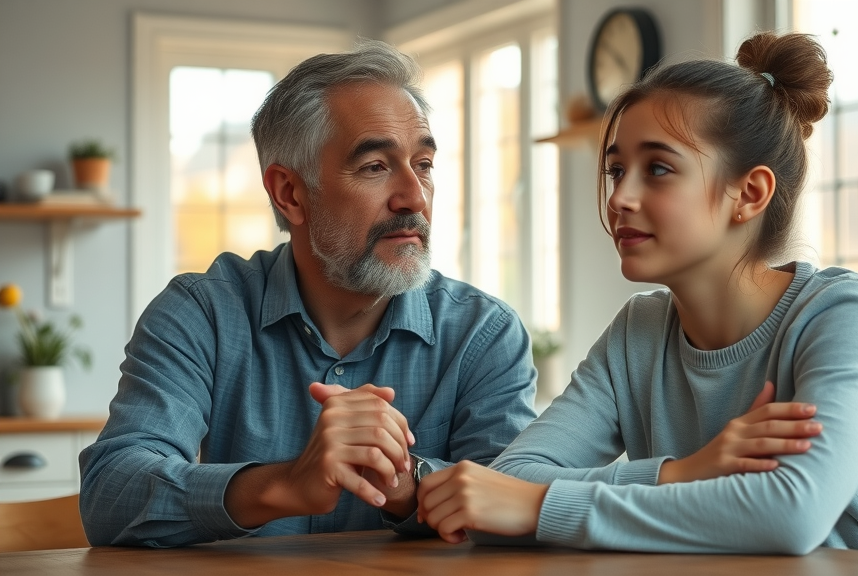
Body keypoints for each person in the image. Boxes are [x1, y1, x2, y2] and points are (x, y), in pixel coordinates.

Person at [414, 32, 858, 555]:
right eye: (616, 170)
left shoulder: (846, 313)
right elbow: (508, 480)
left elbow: (790, 515)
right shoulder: (638, 332)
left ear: (751, 194)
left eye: (658, 169)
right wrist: (681, 473)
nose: (621, 198)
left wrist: (538, 507)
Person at [79, 40, 537, 547]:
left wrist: (408, 483)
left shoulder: (484, 333)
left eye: (424, 164)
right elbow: (109, 494)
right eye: (375, 167)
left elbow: (522, 506)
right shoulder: (201, 313)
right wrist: (284, 485)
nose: (414, 197)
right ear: (289, 193)